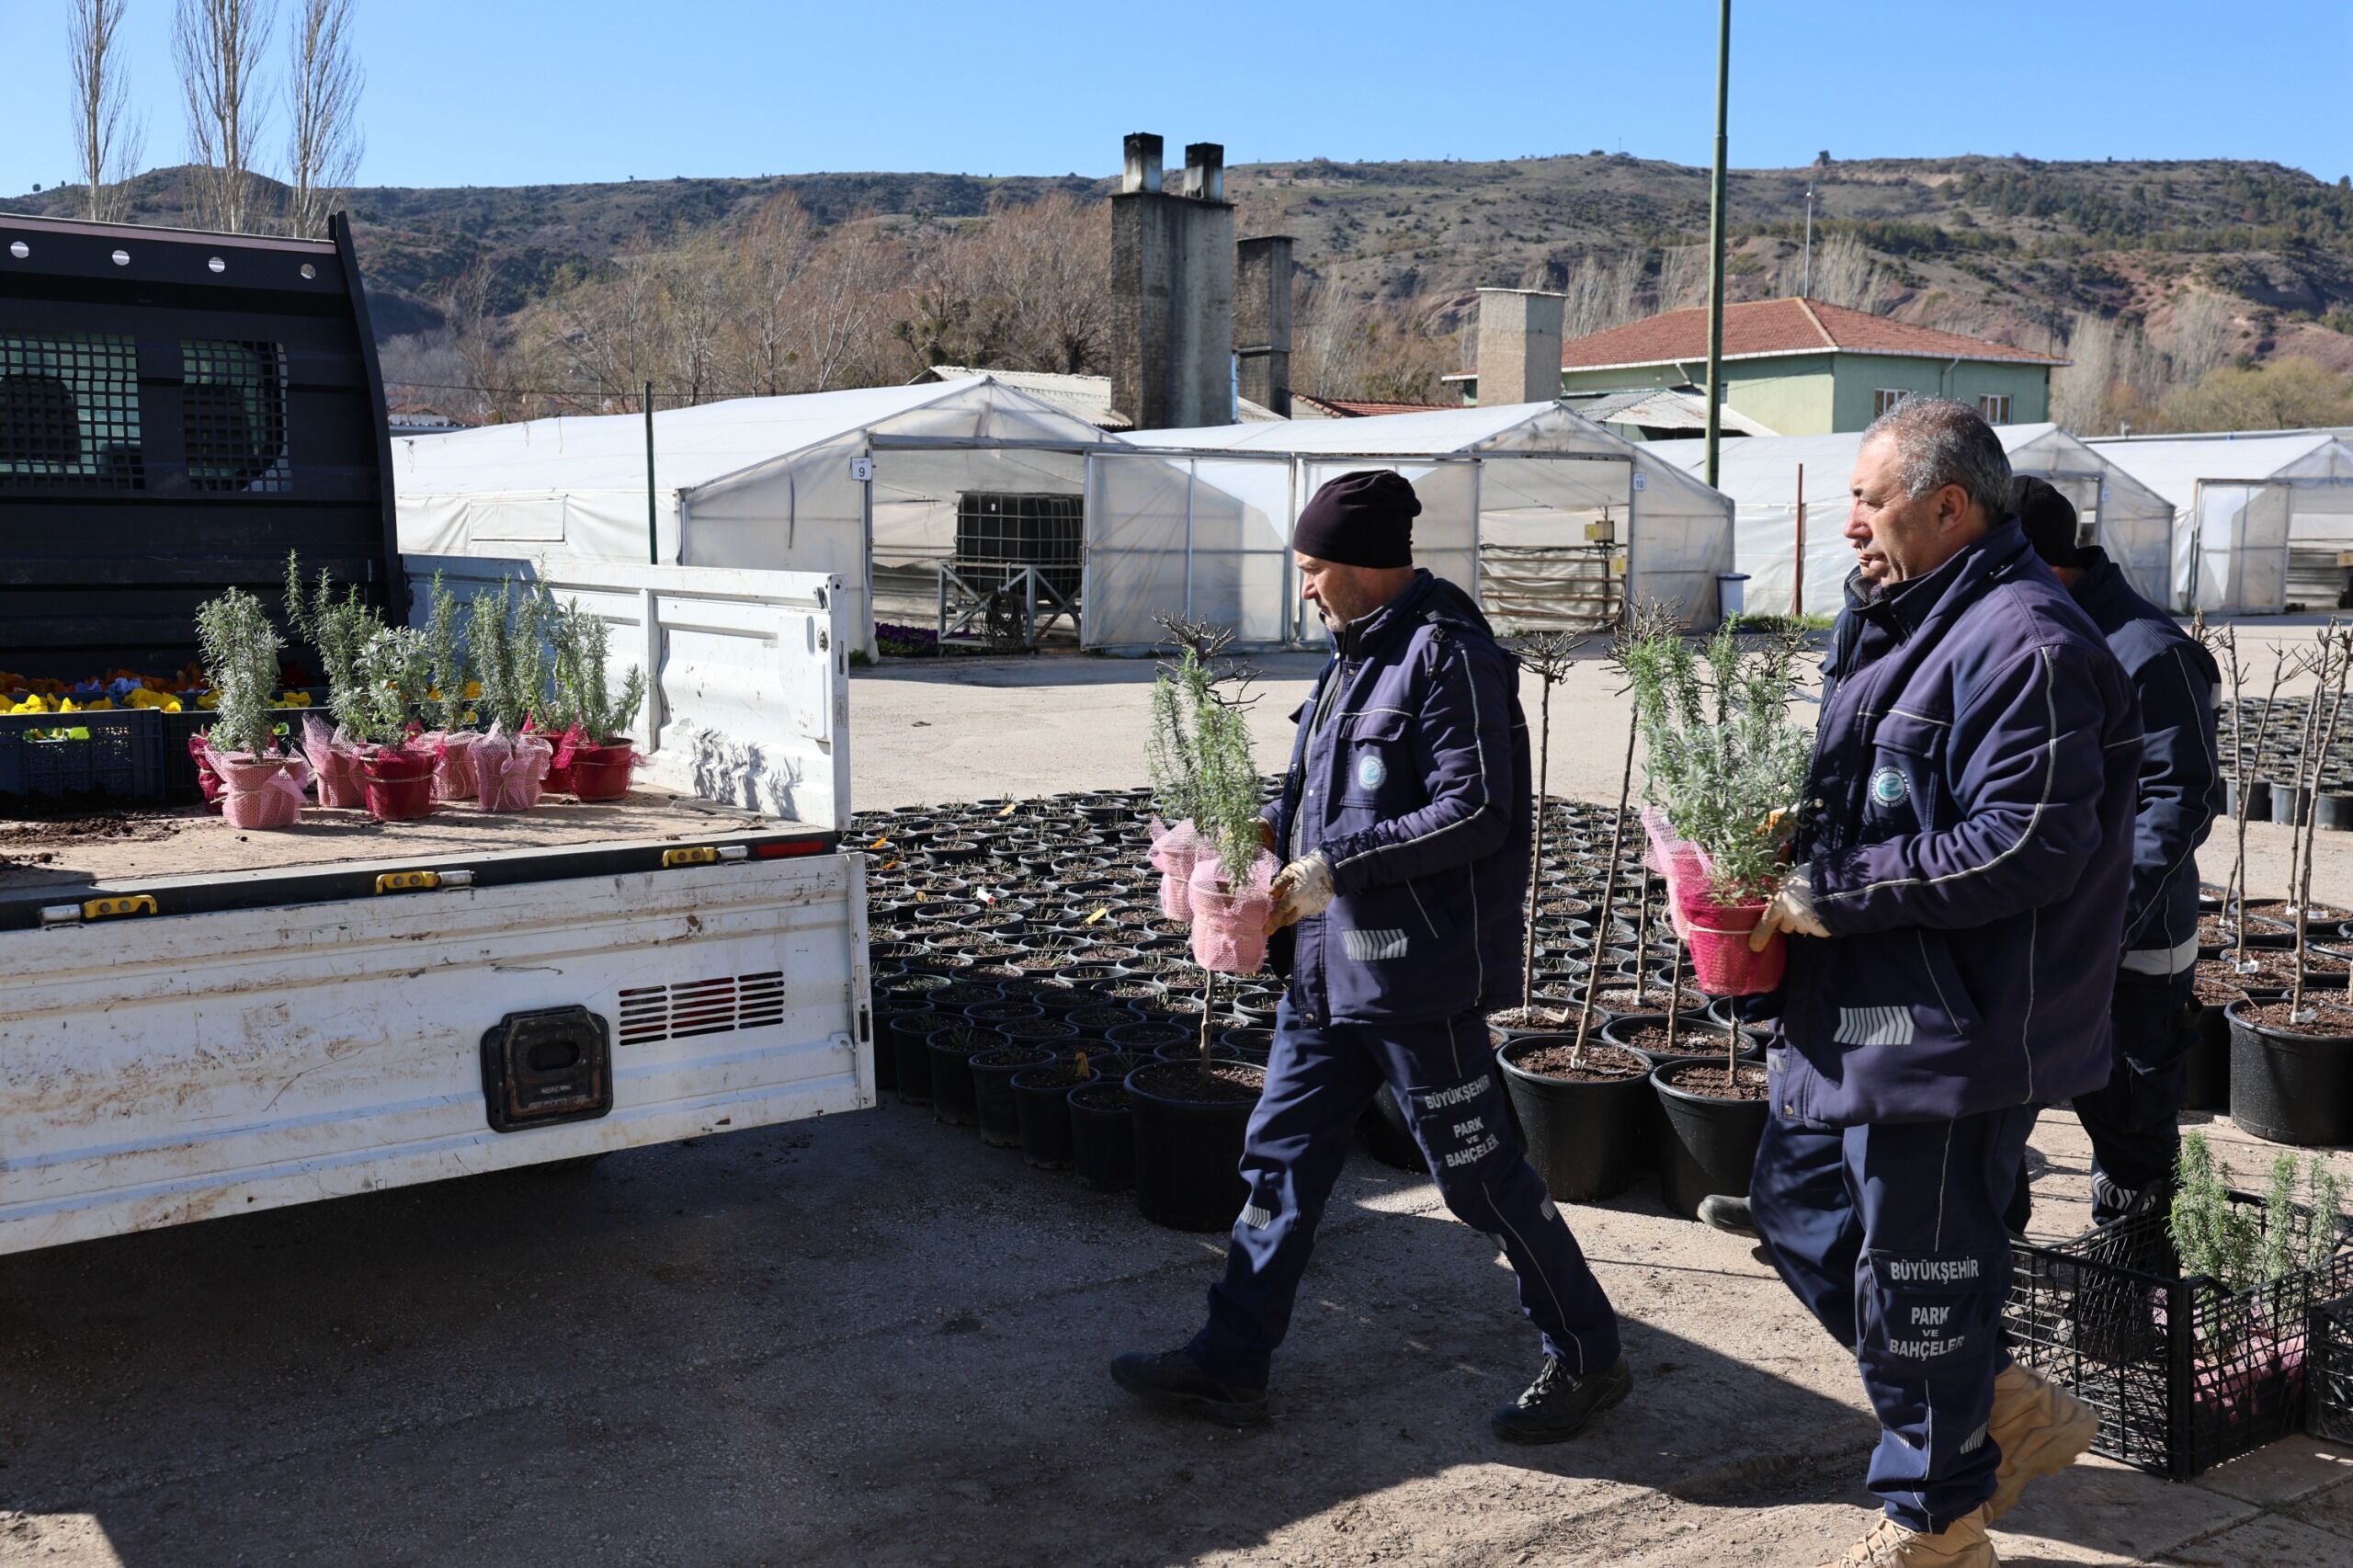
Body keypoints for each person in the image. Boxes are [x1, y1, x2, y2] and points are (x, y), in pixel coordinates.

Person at [1109, 469, 1631, 1441]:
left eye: (1314, 569)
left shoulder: (1448, 658)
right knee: (1279, 1164)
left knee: (1480, 1180)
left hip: (1412, 976)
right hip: (1323, 973)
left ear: (1363, 566)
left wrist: (1331, 865)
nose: (1305, 588)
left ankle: (1588, 1353)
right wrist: (1252, 835)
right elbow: (1325, 796)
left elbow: (1476, 809)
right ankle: (1230, 1363)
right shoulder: (1353, 655)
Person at [1743, 401, 2143, 1567]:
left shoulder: (2028, 642)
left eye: (1869, 500)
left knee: (1921, 1277)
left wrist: (1840, 887)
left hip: (1957, 1024)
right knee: (1800, 1212)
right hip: (1865, 1004)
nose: (1851, 523)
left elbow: (2025, 841)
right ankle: (2003, 1402)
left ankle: (1937, 1522)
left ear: (1949, 507)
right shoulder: (1901, 619)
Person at [2006, 476, 2223, 1233]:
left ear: (2038, 558)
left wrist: (2104, 923)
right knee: (1989, 1121)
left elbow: (2180, 798)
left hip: (2131, 949)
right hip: (2032, 940)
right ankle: (1987, 1303)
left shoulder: (2147, 651)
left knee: (2130, 1134)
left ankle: (2125, 1299)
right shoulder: (2022, 633)